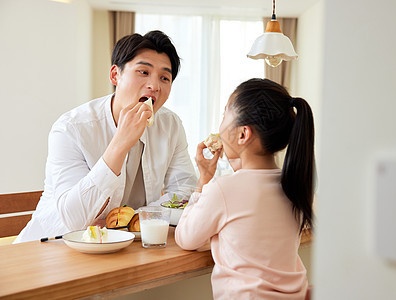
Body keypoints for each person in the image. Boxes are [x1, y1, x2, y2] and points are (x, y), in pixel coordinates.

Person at [15, 30, 197, 243]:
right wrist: (120, 144)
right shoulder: (70, 128)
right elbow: (74, 218)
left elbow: (184, 191)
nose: (154, 86)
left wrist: (134, 218)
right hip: (53, 245)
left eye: (164, 77)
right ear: (115, 75)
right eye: (143, 72)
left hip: (128, 245)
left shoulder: (170, 125)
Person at [175, 78, 315, 299]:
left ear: (243, 134)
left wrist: (203, 180)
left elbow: (186, 238)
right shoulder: (295, 185)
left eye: (224, 115)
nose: (220, 126)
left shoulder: (223, 189)